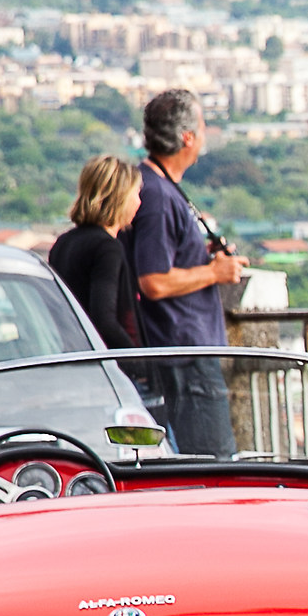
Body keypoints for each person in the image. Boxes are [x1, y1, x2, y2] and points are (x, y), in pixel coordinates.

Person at [124, 89, 243, 455]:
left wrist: (204, 259)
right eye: (203, 125)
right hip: (184, 353)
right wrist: (215, 274)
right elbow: (154, 280)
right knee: (214, 462)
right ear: (187, 137)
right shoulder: (158, 197)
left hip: (186, 350)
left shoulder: (162, 188)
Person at [49, 154, 143, 349]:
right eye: (136, 194)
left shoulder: (63, 243)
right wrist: (138, 362)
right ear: (121, 198)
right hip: (107, 367)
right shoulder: (107, 248)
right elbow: (105, 320)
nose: (139, 202)